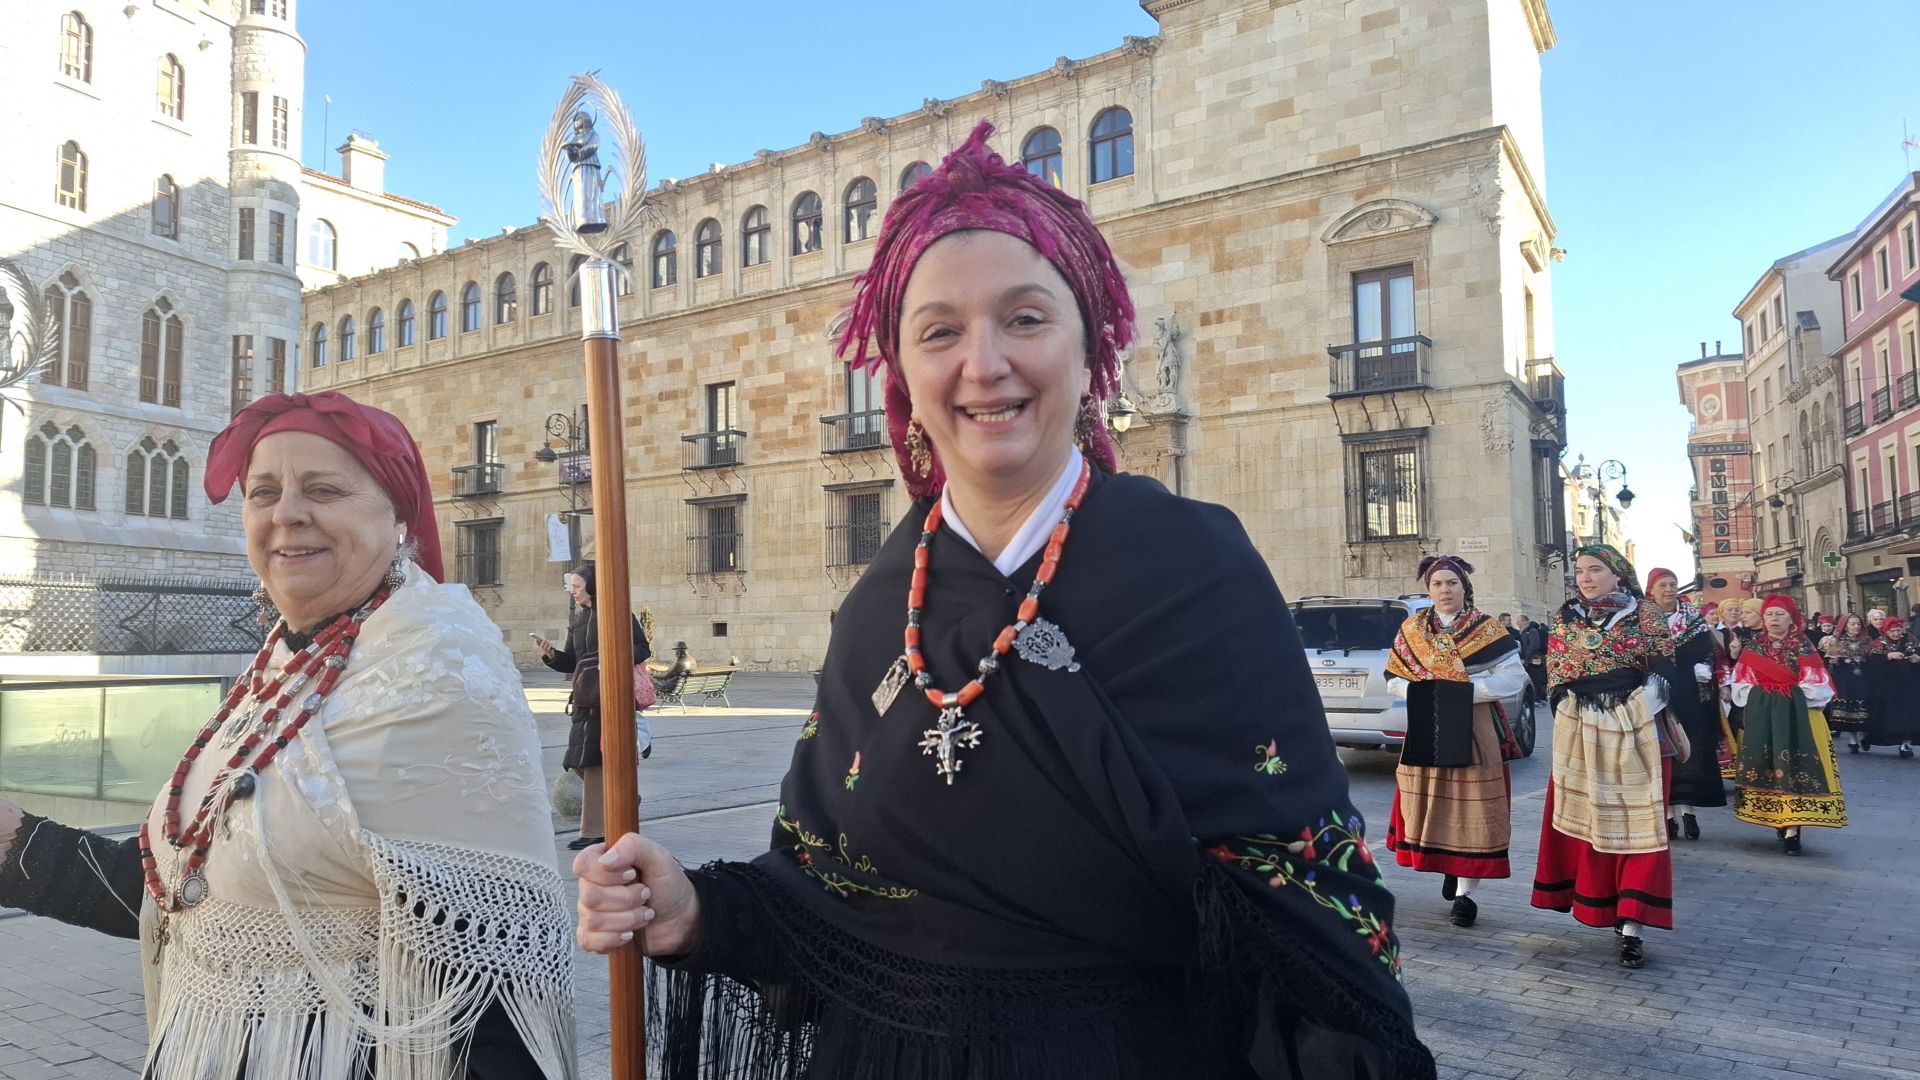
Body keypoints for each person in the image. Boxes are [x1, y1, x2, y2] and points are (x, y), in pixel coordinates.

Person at [573, 121, 1433, 1079]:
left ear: (1089, 343)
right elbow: (821, 889)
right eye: (939, 331)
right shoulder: (877, 609)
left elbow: (1309, 914)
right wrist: (692, 911)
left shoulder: (1198, 568)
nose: (983, 364)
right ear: (900, 370)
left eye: (1025, 319)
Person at [0, 392, 575, 1080]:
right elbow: (193, 893)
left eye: (323, 489)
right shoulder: (290, 658)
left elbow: (484, 997)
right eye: (263, 491)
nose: (286, 514)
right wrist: (15, 843)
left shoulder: (438, 668)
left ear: (398, 518)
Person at [1532, 544, 1677, 969]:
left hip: (1640, 729)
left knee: (1641, 825)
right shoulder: (1566, 617)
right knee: (1591, 819)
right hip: (1581, 732)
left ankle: (1633, 923)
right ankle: (1599, 903)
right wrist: (1572, 710)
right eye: (1579, 571)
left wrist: (1629, 713)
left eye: (1595, 569)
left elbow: (1664, 672)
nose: (1586, 578)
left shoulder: (1644, 613)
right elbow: (1557, 676)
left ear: (1617, 573)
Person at [1383, 556, 1527, 929]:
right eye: (1437, 584)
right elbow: (1393, 678)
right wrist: (1423, 690)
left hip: (1474, 723)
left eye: (1452, 583)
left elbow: (1514, 678)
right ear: (1428, 590)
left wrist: (1464, 692)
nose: (1445, 590)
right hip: (1428, 721)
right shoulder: (1412, 629)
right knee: (1433, 802)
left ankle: (1466, 894)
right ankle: (1449, 864)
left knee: (1473, 807)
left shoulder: (1487, 629)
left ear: (1465, 588)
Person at [538, 564, 651, 850]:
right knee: (578, 760)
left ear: (592, 586)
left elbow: (642, 649)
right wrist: (551, 656)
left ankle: (595, 830)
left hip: (610, 697)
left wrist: (612, 654)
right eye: (572, 586)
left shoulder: (617, 613)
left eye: (577, 586)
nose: (573, 592)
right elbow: (571, 661)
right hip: (585, 698)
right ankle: (622, 800)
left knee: (597, 760)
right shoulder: (579, 621)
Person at [1728, 596, 1847, 854]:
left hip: (1800, 717)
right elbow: (1740, 685)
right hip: (1765, 719)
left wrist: (1784, 693)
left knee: (1796, 764)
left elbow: (1818, 687)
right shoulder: (1754, 648)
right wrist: (1769, 695)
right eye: (1769, 614)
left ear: (1792, 618)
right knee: (1769, 764)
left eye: (1780, 614)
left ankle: (1794, 827)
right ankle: (1779, 817)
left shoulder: (1803, 646)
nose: (1773, 619)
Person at [1646, 569, 1725, 841]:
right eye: (1663, 585)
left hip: (1690, 693)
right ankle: (1668, 815)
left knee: (1689, 750)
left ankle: (1689, 812)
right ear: (1652, 590)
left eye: (1673, 584)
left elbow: (1706, 650)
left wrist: (1705, 667)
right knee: (1662, 753)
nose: (1669, 589)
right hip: (1656, 694)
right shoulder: (1643, 619)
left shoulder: (1692, 617)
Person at [1867, 617, 1920, 758]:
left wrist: (1917, 658)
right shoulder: (1879, 643)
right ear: (1886, 630)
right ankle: (1899, 741)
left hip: (1910, 684)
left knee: (1910, 714)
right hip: (1889, 686)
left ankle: (1906, 743)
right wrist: (1888, 656)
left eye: (1898, 630)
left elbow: (1918, 652)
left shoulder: (1910, 639)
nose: (1896, 634)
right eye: (1892, 631)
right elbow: (1871, 662)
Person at [1826, 612, 1875, 752]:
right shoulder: (1836, 641)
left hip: (1864, 678)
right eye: (1852, 624)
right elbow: (1831, 664)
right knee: (1848, 708)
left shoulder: (1868, 641)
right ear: (1845, 626)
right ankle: (1853, 740)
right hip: (1845, 679)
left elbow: (1874, 658)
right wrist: (1834, 661)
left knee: (1865, 705)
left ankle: (1863, 734)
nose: (1856, 626)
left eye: (1858, 624)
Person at [1515, 612, 1549, 698]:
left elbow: (1534, 645)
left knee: (1537, 679)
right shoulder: (1525, 631)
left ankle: (1539, 698)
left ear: (1523, 621)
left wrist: (1526, 657)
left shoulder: (1531, 630)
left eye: (1518, 621)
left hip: (1534, 659)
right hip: (1531, 659)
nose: (1517, 623)